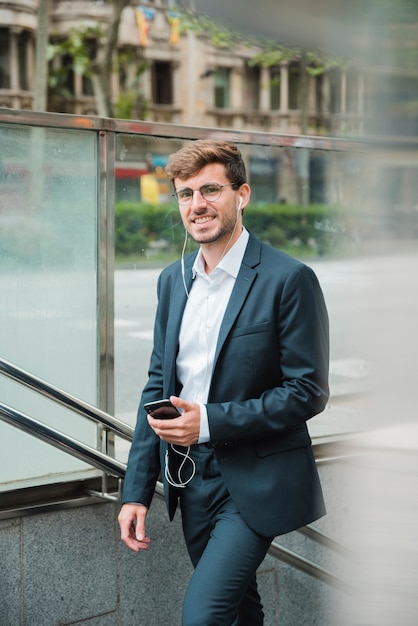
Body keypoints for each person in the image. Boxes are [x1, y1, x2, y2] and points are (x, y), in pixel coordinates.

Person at [118, 139, 329, 625]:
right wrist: (135, 491)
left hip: (255, 476)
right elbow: (156, 387)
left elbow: (308, 391)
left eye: (211, 190)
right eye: (186, 194)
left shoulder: (289, 278)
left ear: (243, 194)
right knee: (238, 612)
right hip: (190, 478)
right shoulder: (173, 281)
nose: (197, 205)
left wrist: (208, 423)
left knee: (204, 614)